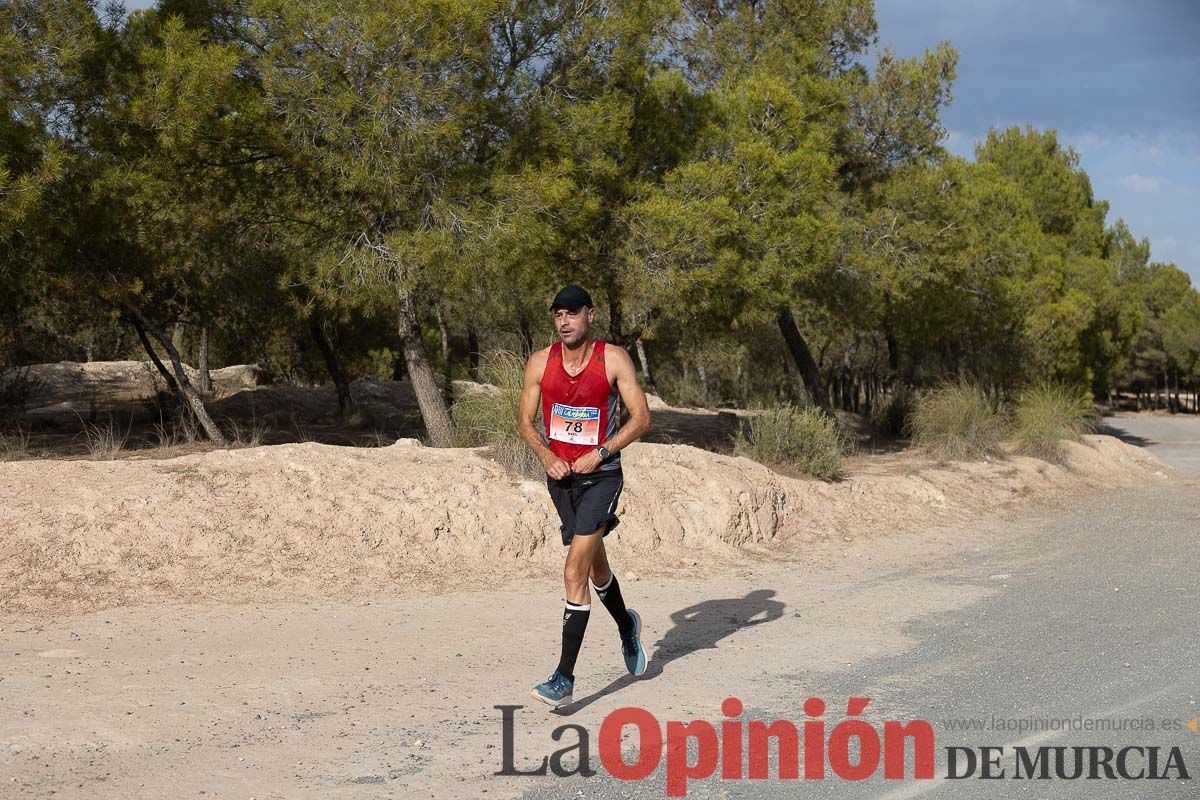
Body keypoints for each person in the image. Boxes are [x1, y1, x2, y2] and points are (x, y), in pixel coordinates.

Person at [518, 284, 653, 708]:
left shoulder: (613, 359)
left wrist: (601, 452)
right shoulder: (540, 363)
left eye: (573, 313)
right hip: (561, 481)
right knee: (595, 568)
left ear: (590, 316)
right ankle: (626, 626)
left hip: (602, 477)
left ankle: (564, 678)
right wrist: (545, 456)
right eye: (558, 314)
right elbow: (524, 422)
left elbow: (642, 418)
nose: (565, 320)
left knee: (574, 569)